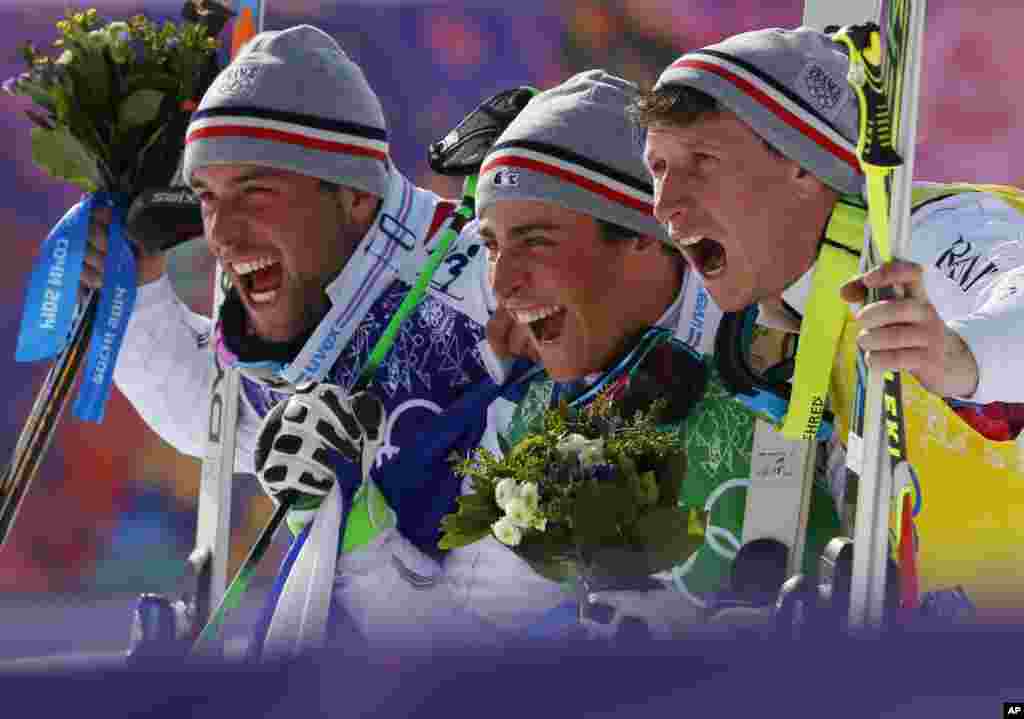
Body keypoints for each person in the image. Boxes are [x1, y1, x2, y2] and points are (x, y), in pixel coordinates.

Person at [84, 25, 512, 651]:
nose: (223, 236)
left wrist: (365, 537)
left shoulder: (489, 282)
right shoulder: (299, 283)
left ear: (355, 195)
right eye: (209, 197)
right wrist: (138, 295)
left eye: (256, 192)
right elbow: (220, 419)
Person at [439, 69, 843, 640]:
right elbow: (466, 634)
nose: (504, 284)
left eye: (536, 241)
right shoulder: (525, 422)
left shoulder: (786, 327)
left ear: (644, 237)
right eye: (492, 245)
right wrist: (359, 536)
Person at [633, 27, 1024, 608]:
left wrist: (956, 355)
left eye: (703, 161)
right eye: (659, 168)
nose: (664, 204)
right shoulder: (805, 306)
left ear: (801, 165)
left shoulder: (928, 233)